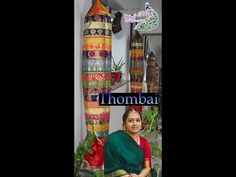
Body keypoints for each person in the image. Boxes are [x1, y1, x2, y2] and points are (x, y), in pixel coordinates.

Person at [104, 108, 157, 177]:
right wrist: (125, 176)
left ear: (141, 125)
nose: (135, 123)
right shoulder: (114, 139)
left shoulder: (144, 142)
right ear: (124, 125)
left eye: (138, 120)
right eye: (130, 121)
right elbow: (111, 164)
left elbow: (147, 167)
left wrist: (139, 176)